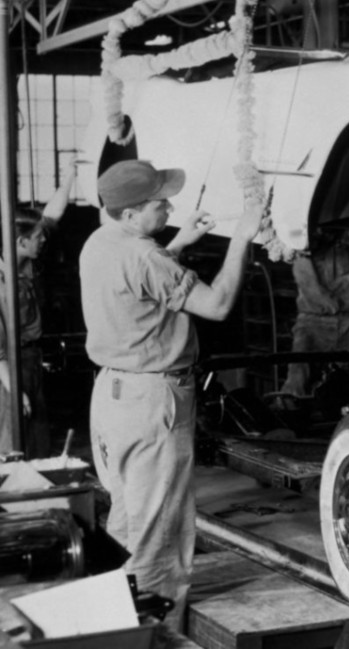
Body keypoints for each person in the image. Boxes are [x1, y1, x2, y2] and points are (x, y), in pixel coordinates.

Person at [79, 159, 263, 632]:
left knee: (127, 522)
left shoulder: (100, 242)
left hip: (112, 400)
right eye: (161, 204)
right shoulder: (147, 257)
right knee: (159, 539)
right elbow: (217, 305)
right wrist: (241, 235)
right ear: (130, 214)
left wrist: (179, 244)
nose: (170, 207)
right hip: (151, 402)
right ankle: (152, 640)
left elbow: (141, 279)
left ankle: (108, 629)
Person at [0, 160, 78, 457]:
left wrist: (70, 176)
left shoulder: (28, 264)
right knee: (11, 441)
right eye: (38, 238)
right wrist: (13, 387)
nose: (44, 239)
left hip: (31, 360)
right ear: (20, 242)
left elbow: (51, 215)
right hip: (7, 368)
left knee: (35, 438)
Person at [279, 230, 349, 399]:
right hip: (313, 321)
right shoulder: (301, 248)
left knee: (346, 380)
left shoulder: (340, 243)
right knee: (297, 381)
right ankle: (290, 411)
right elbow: (312, 290)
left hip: (346, 320)